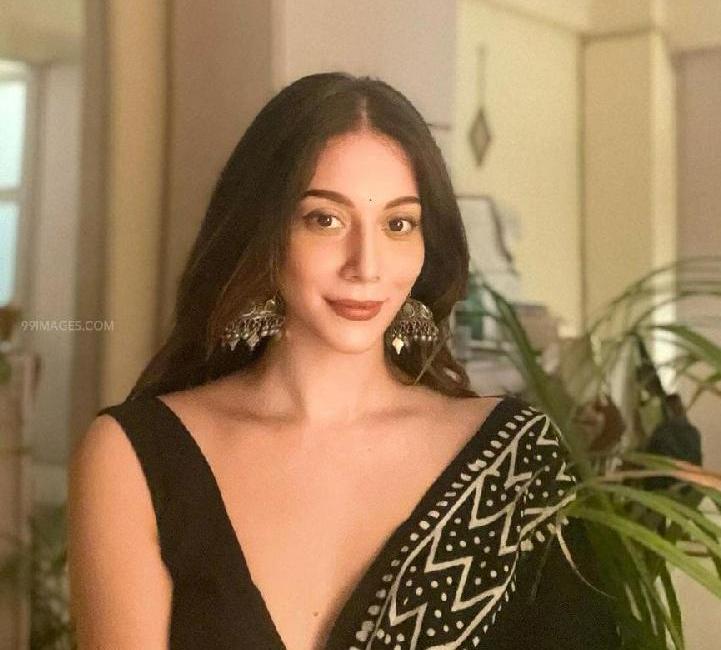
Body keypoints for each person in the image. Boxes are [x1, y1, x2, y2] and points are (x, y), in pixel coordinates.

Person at [67, 72, 620, 649]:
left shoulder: (516, 461)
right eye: (325, 219)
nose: (367, 265)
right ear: (263, 231)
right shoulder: (132, 457)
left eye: (398, 224)